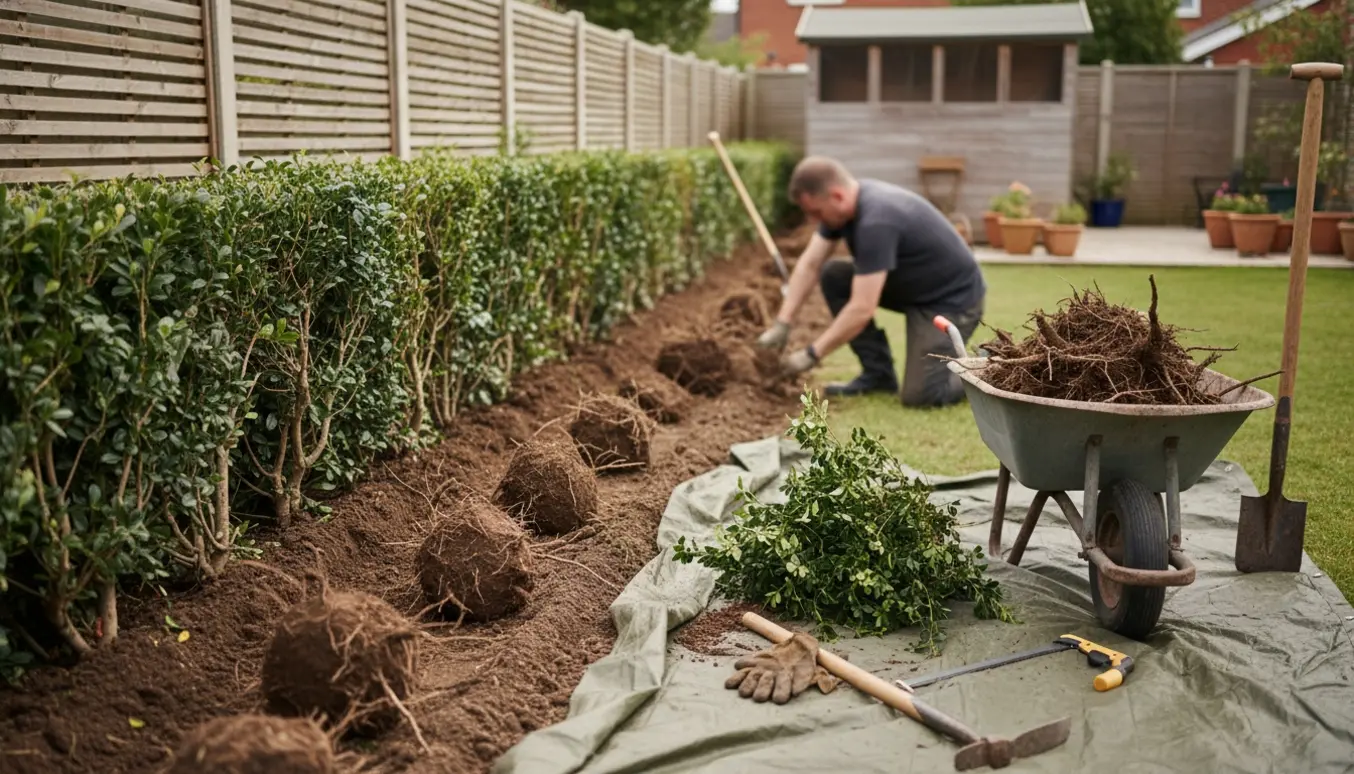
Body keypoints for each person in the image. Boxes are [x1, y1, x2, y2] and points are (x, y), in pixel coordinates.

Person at [758, 156, 986, 406]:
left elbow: (861, 309)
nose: (814, 221)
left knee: (923, 396)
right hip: (915, 287)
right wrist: (783, 322)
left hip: (952, 301)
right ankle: (878, 376)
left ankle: (987, 366)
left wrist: (812, 354)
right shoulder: (844, 211)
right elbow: (810, 264)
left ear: (836, 196)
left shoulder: (876, 220)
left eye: (816, 212)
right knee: (834, 275)